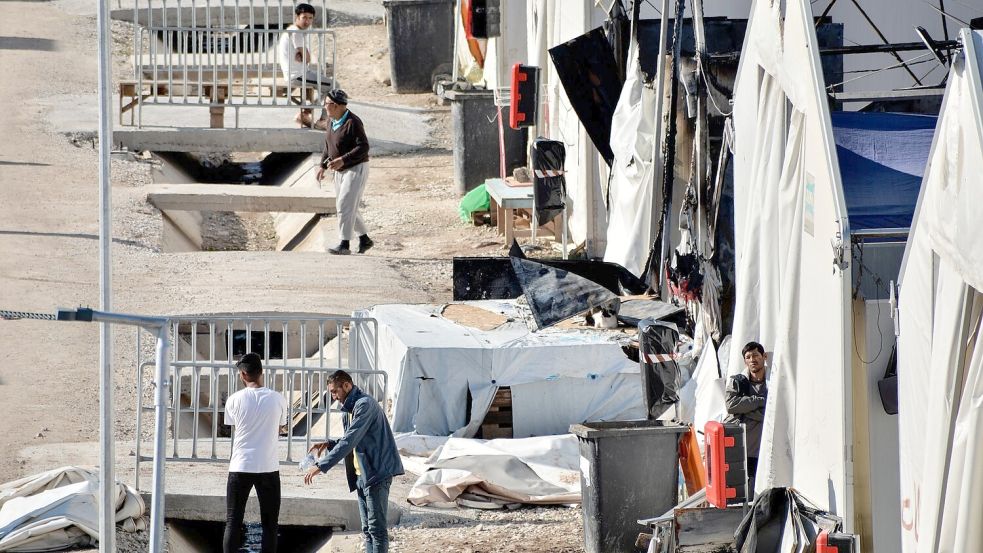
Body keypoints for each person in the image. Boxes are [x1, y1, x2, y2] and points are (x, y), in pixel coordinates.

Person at [303, 370, 403, 553]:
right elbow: (351, 439)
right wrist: (328, 444)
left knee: (377, 530)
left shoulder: (365, 405)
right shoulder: (348, 410)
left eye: (335, 391)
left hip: (377, 473)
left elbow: (350, 440)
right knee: (367, 530)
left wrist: (321, 466)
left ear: (347, 386)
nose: (333, 396)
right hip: (361, 475)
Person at [223, 353, 289, 553]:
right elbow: (281, 427)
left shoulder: (234, 400)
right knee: (270, 524)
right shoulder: (278, 399)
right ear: (261, 373)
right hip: (268, 466)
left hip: (240, 465)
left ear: (242, 375)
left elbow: (233, 427)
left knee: (233, 522)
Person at [315, 89, 374, 255]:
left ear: (335, 106)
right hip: (339, 170)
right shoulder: (331, 121)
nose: (325, 107)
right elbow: (329, 146)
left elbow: (363, 147)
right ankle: (365, 239)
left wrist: (343, 159)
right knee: (348, 206)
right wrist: (322, 165)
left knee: (344, 205)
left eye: (326, 104)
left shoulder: (353, 122)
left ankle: (344, 244)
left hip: (356, 169)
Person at [277, 3, 330, 128]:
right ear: (297, 17)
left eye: (310, 18)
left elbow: (305, 57)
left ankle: (306, 113)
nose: (307, 21)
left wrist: (303, 55)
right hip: (298, 75)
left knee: (326, 86)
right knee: (334, 86)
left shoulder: (291, 30)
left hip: (298, 73)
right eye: (304, 17)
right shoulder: (296, 32)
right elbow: (307, 58)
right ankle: (322, 120)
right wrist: (304, 55)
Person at [725, 341, 768, 481]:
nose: (752, 360)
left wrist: (745, 410)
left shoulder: (772, 382)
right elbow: (731, 406)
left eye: (755, 355)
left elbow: (773, 413)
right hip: (740, 451)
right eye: (748, 357)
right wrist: (760, 400)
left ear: (764, 356)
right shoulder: (737, 382)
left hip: (763, 453)